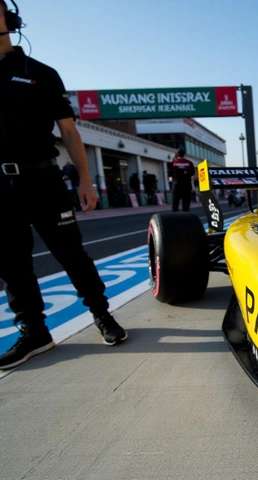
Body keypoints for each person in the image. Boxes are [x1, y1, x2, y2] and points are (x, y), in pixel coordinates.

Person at [0, 1, 127, 369]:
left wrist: (85, 179)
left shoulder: (39, 73)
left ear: (10, 20)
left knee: (71, 253)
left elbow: (68, 130)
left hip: (42, 178)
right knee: (11, 263)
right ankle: (34, 332)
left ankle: (102, 315)